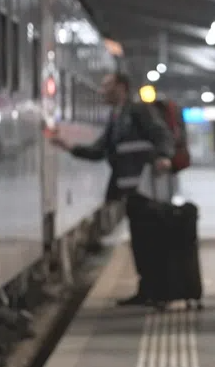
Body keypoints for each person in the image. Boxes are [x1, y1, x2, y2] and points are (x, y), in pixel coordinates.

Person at [50, 72, 175, 307]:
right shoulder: (116, 117)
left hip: (146, 187)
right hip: (131, 191)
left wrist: (164, 157)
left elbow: (162, 135)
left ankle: (159, 292)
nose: (101, 90)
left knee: (151, 241)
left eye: (107, 86)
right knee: (140, 241)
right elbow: (100, 151)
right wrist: (69, 147)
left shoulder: (138, 111)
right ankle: (147, 289)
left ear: (122, 87)